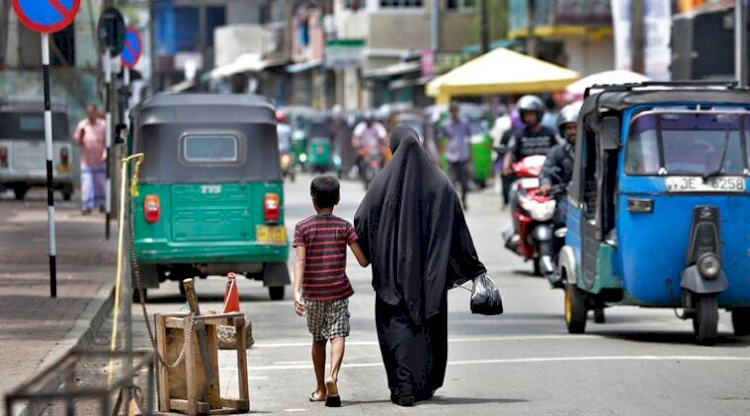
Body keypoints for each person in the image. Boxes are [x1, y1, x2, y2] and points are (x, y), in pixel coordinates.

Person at [354, 126, 487, 407]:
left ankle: (403, 387)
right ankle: (423, 385)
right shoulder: (441, 183)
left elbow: (362, 221)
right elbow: (458, 227)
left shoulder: (380, 185)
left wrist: (376, 251)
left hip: (392, 276)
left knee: (397, 326)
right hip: (431, 278)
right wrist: (471, 266)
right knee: (428, 328)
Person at [292, 176, 369, 408]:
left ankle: (320, 389)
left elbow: (300, 262)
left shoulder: (303, 227)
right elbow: (364, 261)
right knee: (338, 335)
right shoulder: (344, 227)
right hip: (338, 292)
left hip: (313, 294)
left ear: (313, 200)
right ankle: (332, 377)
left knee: (318, 339)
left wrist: (297, 292)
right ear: (337, 199)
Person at [539, 102, 581, 288]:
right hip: (565, 197)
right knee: (559, 226)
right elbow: (546, 170)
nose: (572, 132)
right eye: (569, 128)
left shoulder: (593, 150)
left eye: (575, 127)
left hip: (589, 199)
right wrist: (546, 184)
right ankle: (557, 266)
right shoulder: (557, 152)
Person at [73, 103, 107, 215]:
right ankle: (86, 206)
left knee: (100, 184)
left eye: (92, 112)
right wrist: (81, 136)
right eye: (89, 112)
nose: (90, 114)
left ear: (96, 112)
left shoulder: (102, 125)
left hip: (100, 160)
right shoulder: (82, 125)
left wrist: (105, 153)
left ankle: (102, 204)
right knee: (87, 184)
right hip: (87, 160)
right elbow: (77, 141)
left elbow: (107, 142)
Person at [439, 103, 473, 210]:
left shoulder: (464, 123)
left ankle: (464, 200)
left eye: (455, 110)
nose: (454, 113)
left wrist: (470, 154)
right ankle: (453, 203)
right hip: (451, 156)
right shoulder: (446, 124)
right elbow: (442, 141)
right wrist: (441, 156)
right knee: (451, 182)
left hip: (463, 155)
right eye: (452, 111)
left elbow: (468, 140)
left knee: (464, 183)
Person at [352, 112, 388, 176]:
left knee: (386, 155)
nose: (369, 122)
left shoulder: (378, 127)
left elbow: (383, 137)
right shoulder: (361, 126)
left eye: (370, 120)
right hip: (365, 148)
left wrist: (384, 143)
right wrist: (356, 143)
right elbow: (355, 137)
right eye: (367, 120)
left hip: (376, 148)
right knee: (358, 155)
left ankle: (386, 171)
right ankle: (356, 168)